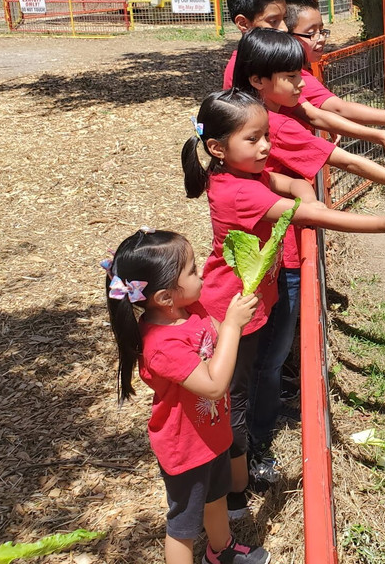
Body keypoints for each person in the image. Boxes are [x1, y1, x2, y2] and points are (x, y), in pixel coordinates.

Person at [180, 87, 385, 498]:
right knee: (235, 395)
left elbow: (287, 182)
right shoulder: (241, 190)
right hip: (234, 309)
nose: (265, 147)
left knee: (253, 379)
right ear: (217, 147)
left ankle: (247, 454)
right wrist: (382, 222)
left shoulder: (241, 173)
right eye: (253, 139)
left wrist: (300, 186)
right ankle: (239, 483)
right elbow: (309, 214)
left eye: (266, 136)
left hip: (249, 298)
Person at [104, 228, 268, 564]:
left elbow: (217, 338)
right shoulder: (161, 346)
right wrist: (234, 328)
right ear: (165, 297)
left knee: (216, 497)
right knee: (183, 525)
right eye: (192, 270)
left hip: (212, 434)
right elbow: (213, 385)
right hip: (186, 447)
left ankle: (220, 551)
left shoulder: (190, 311)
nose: (202, 273)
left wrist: (235, 316)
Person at [223, 0, 385, 157]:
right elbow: (322, 112)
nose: (283, 29)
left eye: (284, 19)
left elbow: (315, 112)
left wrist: (332, 123)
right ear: (242, 23)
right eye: (273, 21)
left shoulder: (257, 63)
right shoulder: (261, 69)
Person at [282, 0, 385, 134]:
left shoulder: (302, 68)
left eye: (322, 30)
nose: (321, 39)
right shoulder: (296, 77)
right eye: (312, 33)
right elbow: (339, 108)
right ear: (286, 35)